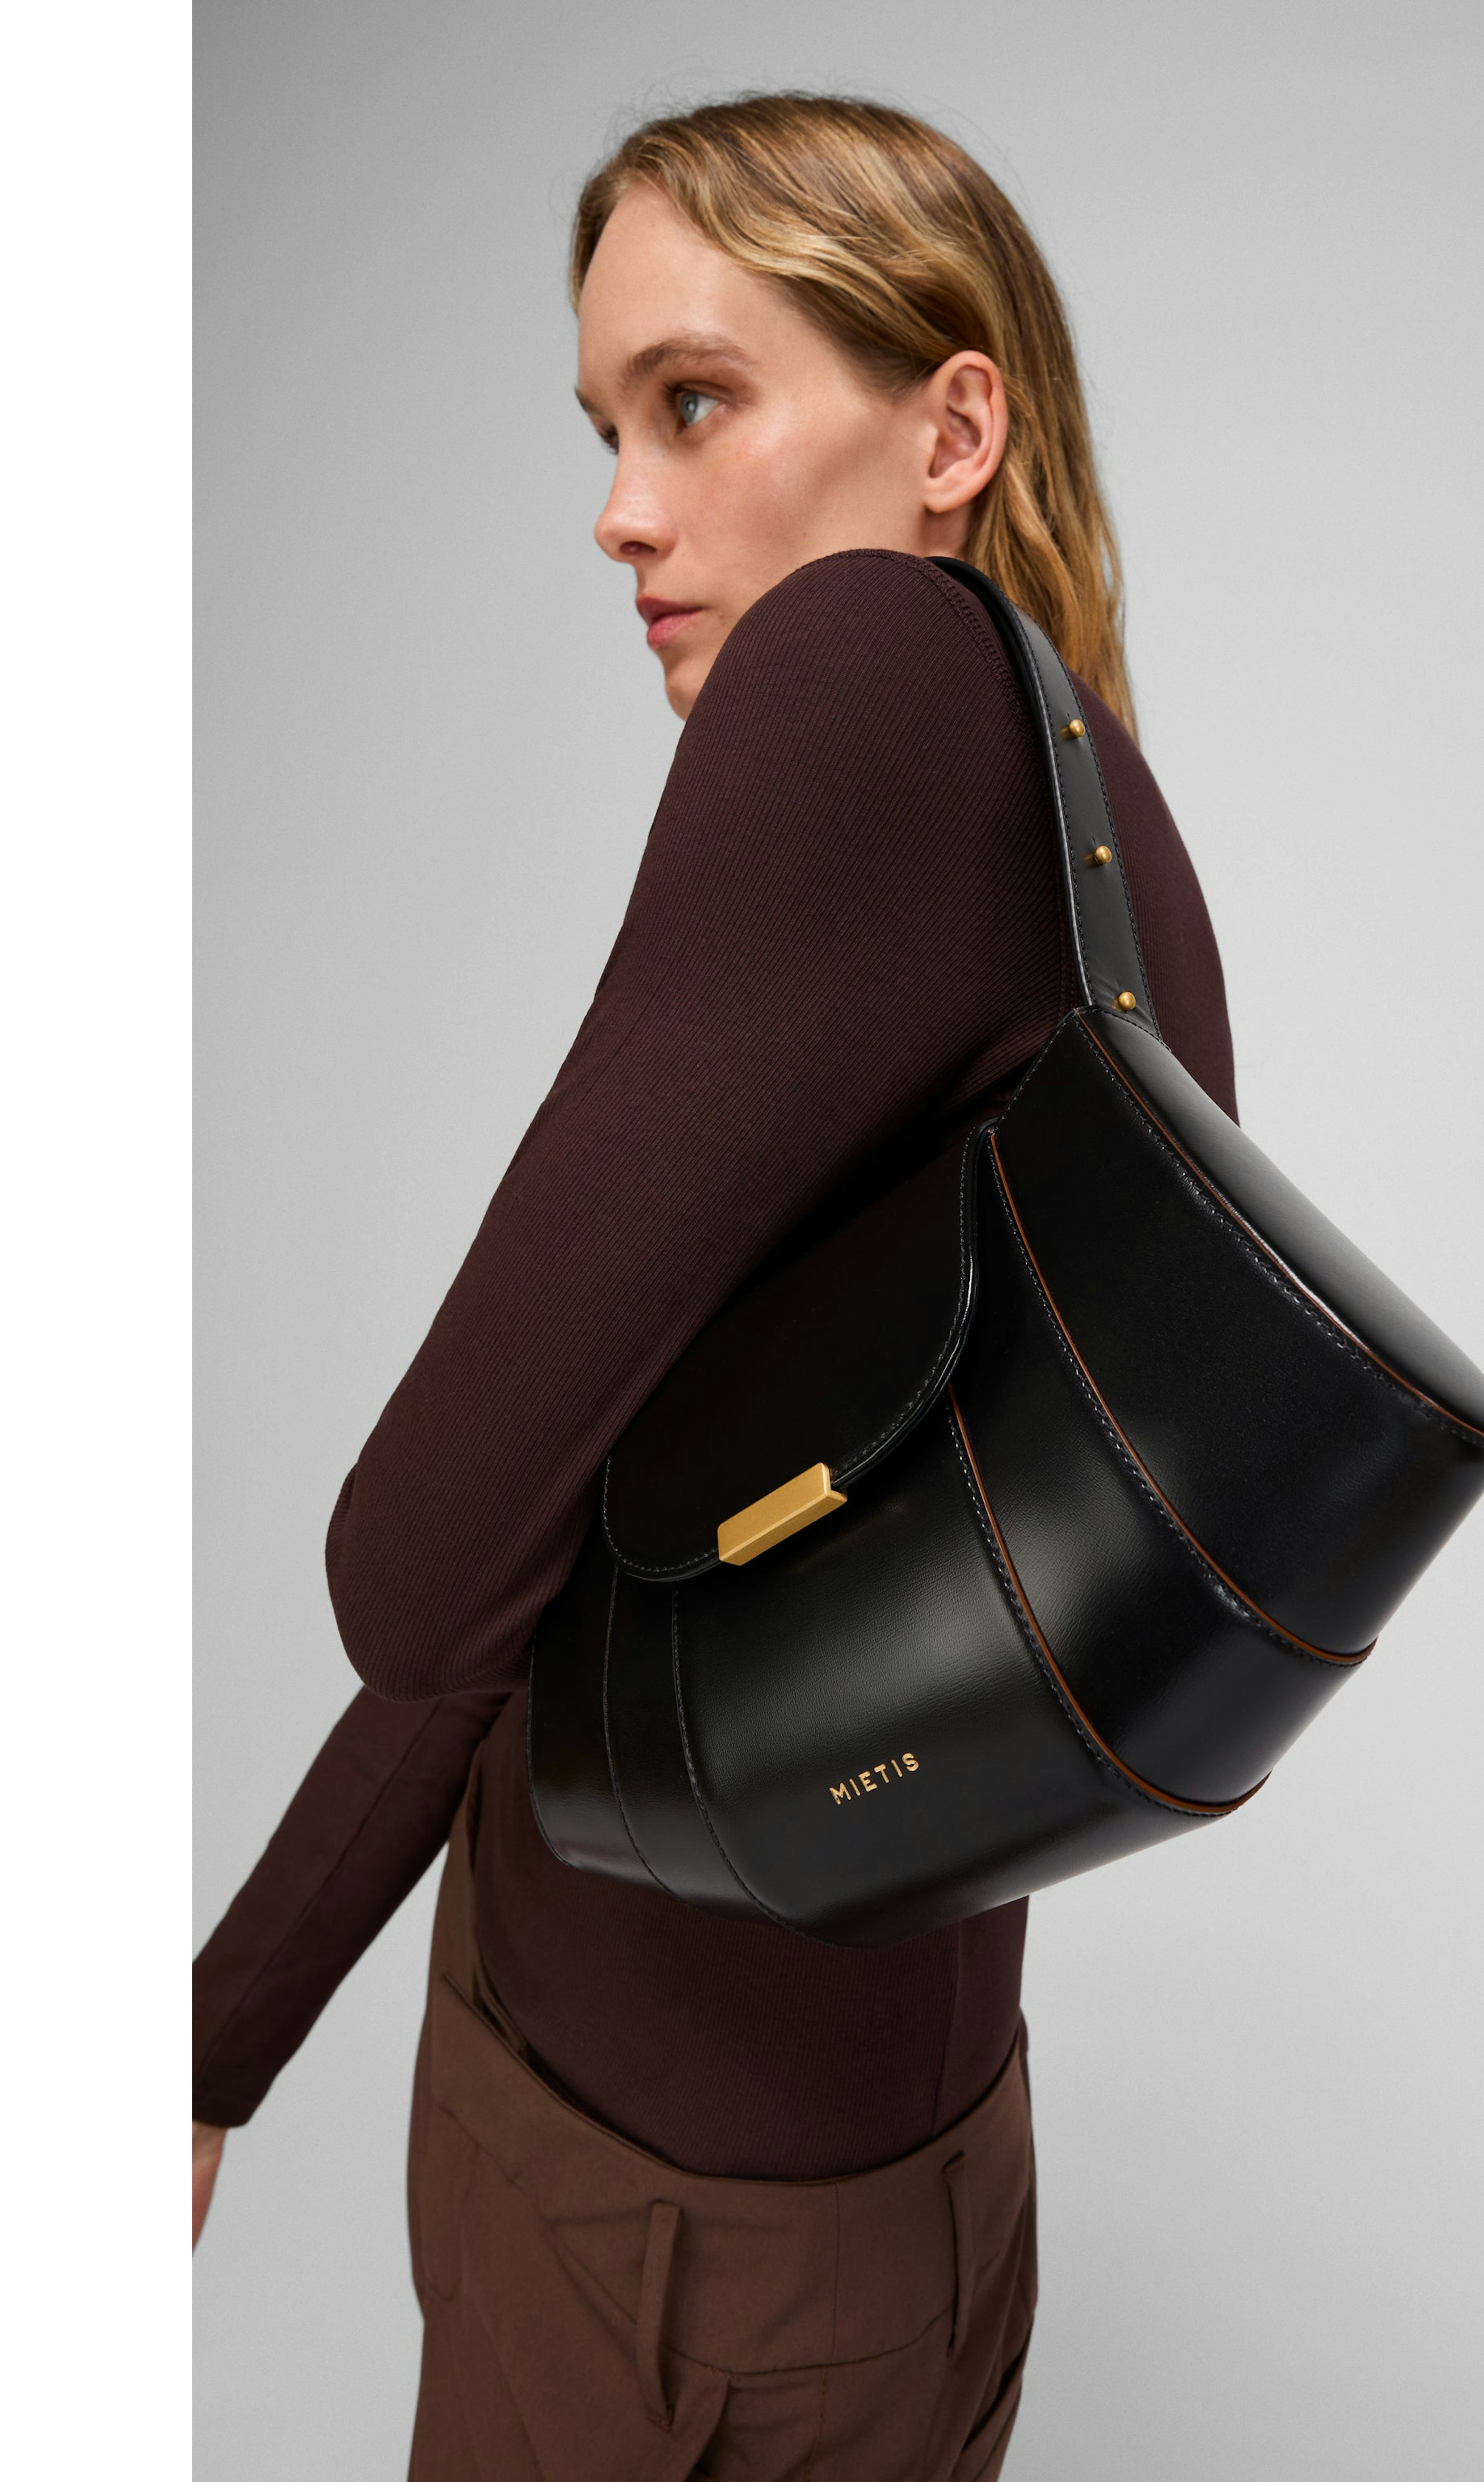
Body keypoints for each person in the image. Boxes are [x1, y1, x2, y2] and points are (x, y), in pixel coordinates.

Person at [193, 93, 1236, 2480]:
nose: (620, 510)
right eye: (606, 429)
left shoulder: (863, 674)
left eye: (694, 402)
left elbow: (425, 1562)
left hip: (640, 2221)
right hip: (924, 2193)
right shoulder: (1100, 822)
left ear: (952, 430)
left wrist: (214, 2035)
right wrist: (220, 2032)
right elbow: (590, 1528)